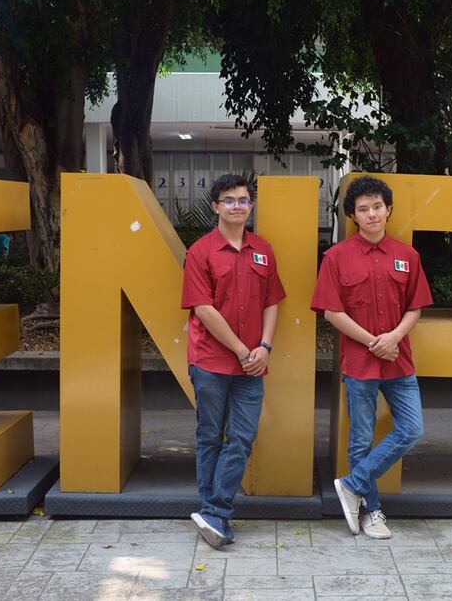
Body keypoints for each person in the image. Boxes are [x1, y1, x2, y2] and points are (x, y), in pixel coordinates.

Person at [310, 176, 433, 539]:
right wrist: (374, 342)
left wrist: (393, 337)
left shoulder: (407, 257)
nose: (372, 214)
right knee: (361, 440)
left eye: (377, 206)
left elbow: (416, 307)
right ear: (354, 216)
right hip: (360, 363)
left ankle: (352, 483)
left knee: (412, 429)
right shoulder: (336, 257)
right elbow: (332, 312)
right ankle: (372, 512)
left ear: (388, 209)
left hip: (399, 360)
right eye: (363, 209)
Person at [181, 174, 286, 549]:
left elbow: (272, 301)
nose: (237, 206)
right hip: (210, 361)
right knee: (210, 436)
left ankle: (214, 513)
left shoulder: (263, 250)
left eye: (243, 200)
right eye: (229, 200)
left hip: (253, 364)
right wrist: (243, 351)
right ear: (215, 207)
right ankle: (216, 513)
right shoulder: (201, 252)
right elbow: (203, 308)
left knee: (241, 437)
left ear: (250, 206)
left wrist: (265, 347)